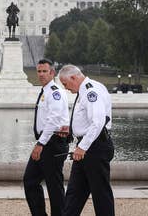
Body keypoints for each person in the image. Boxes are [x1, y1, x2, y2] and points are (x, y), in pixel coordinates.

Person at [58, 64, 115, 216]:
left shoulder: (91, 91)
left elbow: (98, 121)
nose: (65, 88)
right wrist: (71, 131)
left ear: (73, 77)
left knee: (101, 195)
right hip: (87, 146)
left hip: (95, 147)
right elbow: (87, 121)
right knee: (74, 194)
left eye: (65, 84)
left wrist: (82, 147)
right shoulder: (87, 89)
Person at [23, 58, 70, 216]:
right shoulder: (46, 91)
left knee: (54, 186)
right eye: (39, 71)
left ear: (52, 73)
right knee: (30, 180)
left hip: (52, 143)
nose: (41, 74)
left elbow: (54, 119)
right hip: (46, 143)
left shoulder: (55, 92)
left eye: (45, 71)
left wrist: (40, 143)